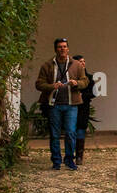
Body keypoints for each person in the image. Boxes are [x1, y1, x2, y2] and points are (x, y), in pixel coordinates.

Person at [34, 38, 86, 170]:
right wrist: (52, 86)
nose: (62, 49)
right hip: (54, 104)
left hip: (71, 104)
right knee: (55, 134)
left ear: (68, 49)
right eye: (59, 47)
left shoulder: (76, 65)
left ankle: (69, 160)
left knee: (70, 132)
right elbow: (39, 84)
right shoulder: (47, 65)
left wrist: (77, 83)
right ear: (55, 49)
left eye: (64, 47)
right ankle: (56, 161)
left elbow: (85, 81)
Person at [71, 55, 96, 166]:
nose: (83, 63)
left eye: (84, 61)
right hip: (71, 106)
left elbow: (93, 93)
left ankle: (79, 156)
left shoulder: (89, 78)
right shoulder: (71, 77)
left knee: (81, 129)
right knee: (70, 130)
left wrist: (83, 96)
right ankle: (70, 154)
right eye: (80, 61)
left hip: (83, 107)